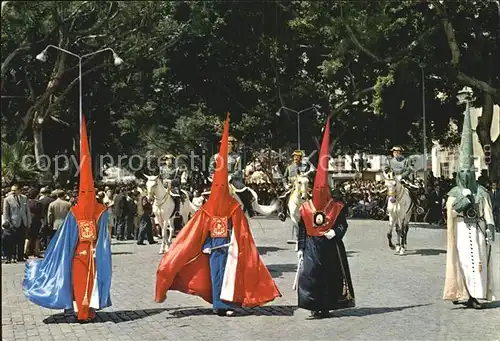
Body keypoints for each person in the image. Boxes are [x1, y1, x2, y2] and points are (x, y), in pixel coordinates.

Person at [155, 113, 280, 316]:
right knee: (178, 196)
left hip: (234, 184)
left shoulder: (238, 158)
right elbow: (213, 171)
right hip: (216, 191)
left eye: (231, 143)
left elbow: (240, 174)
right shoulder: (214, 158)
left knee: (242, 192)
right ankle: (219, 304)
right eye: (227, 143)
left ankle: (249, 207)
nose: (230, 146)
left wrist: (231, 177)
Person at [23, 117, 112, 322]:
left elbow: (102, 237)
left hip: (89, 254)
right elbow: (66, 239)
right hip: (83, 254)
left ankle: (88, 310)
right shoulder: (82, 211)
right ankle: (82, 310)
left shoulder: (94, 211)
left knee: (89, 283)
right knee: (82, 283)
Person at [296, 116, 355, 318]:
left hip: (330, 246)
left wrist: (334, 232)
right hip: (312, 244)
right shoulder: (305, 207)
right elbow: (302, 228)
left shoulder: (336, 206)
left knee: (330, 276)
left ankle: (327, 306)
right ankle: (313, 306)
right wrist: (300, 248)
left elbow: (343, 225)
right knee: (311, 276)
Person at [443, 106, 498, 309]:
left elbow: (488, 212)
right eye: (463, 171)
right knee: (464, 263)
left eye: (469, 171)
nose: (466, 174)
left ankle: (477, 295)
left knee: (479, 263)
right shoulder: (454, 193)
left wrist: (490, 229)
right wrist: (462, 201)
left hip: (478, 230)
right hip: (461, 230)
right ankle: (464, 293)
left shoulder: (482, 191)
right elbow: (450, 213)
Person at [208, 135, 256, 217]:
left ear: (232, 145)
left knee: (243, 189)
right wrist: (213, 176)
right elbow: (211, 169)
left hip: (232, 178)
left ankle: (250, 209)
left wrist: (231, 176)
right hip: (218, 179)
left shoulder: (237, 157)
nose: (227, 146)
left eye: (229, 144)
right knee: (206, 193)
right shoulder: (216, 157)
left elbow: (239, 170)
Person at [277, 150, 312, 221]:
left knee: (311, 197)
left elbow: (309, 177)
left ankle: (313, 213)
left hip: (302, 186)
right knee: (283, 197)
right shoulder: (289, 167)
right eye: (295, 156)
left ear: (301, 158)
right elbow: (284, 177)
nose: (296, 158)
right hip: (291, 186)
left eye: (298, 156)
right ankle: (283, 213)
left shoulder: (305, 167)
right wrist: (285, 185)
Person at [2, 184, 31, 262]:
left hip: (22, 222)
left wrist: (28, 222)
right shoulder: (7, 199)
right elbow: (6, 212)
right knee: (12, 241)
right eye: (12, 190)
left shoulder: (24, 198)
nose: (13, 192)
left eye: (14, 190)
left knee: (21, 240)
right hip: (13, 223)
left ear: (19, 190)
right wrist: (7, 222)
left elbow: (27, 211)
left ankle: (20, 256)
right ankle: (13, 256)